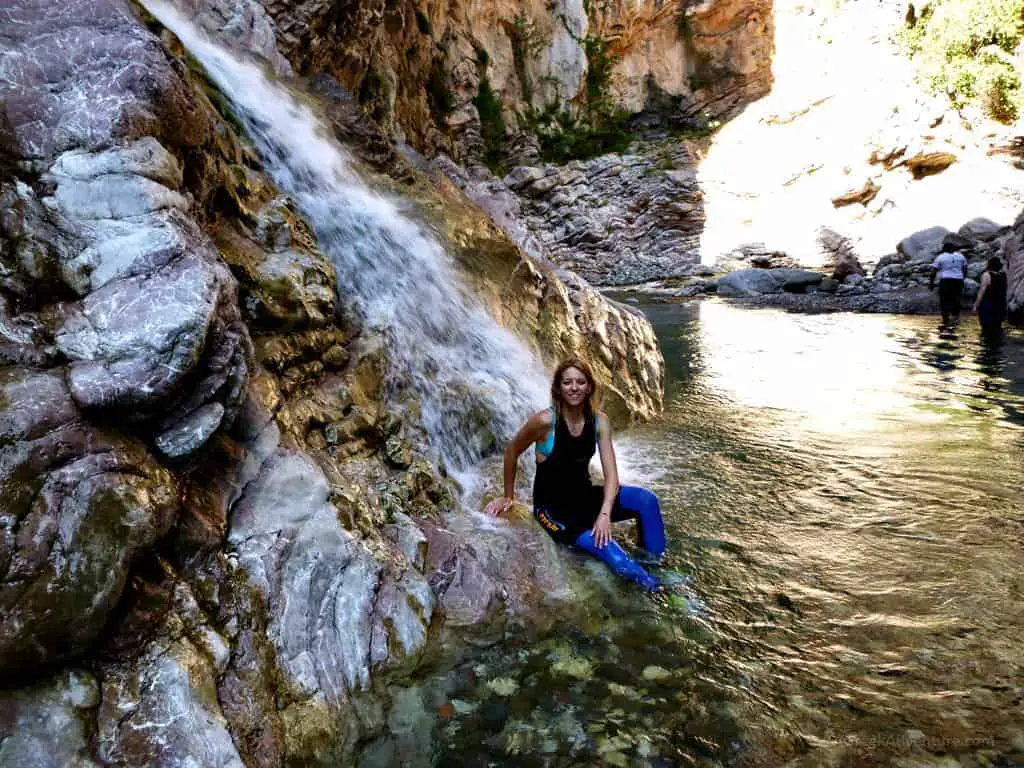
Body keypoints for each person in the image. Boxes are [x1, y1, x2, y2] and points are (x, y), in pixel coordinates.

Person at [485, 358, 666, 591]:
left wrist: (604, 514)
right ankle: (658, 591)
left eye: (580, 382)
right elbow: (512, 451)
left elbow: (612, 477)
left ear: (589, 386)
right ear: (558, 388)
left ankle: (659, 567)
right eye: (567, 382)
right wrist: (508, 496)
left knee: (647, 501)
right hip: (554, 511)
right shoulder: (544, 422)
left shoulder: (599, 421)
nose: (574, 388)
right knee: (614, 554)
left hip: (586, 498)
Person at [929, 242, 968, 326]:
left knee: (944, 300)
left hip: (946, 280)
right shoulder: (961, 256)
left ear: (944, 249)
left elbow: (934, 271)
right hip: (958, 280)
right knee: (956, 298)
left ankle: (945, 319)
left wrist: (931, 283)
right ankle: (956, 318)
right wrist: (963, 278)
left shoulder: (941, 257)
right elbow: (965, 268)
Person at [972, 256, 1008, 339]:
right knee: (997, 328)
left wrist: (976, 305)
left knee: (986, 328)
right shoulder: (1003, 275)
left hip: (988, 305)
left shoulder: (987, 275)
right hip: (1000, 305)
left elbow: (982, 291)